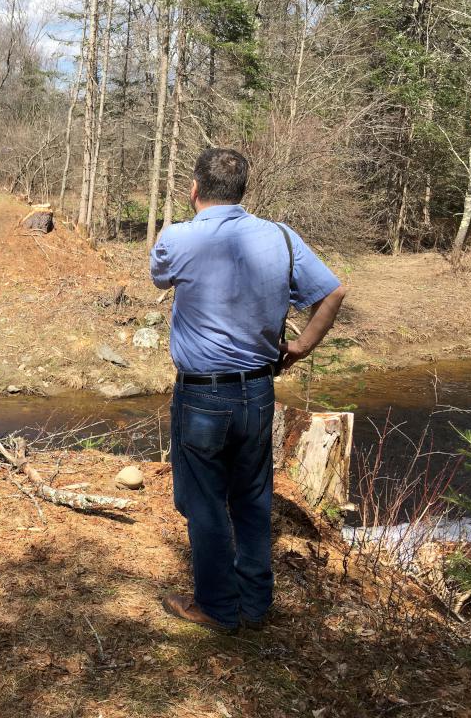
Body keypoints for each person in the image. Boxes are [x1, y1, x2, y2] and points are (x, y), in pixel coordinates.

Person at [150, 148, 345, 633]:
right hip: (259, 392)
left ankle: (217, 608)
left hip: (201, 394)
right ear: (243, 192)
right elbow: (333, 292)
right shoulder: (280, 236)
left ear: (194, 189)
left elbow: (160, 278)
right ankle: (255, 606)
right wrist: (299, 347)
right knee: (253, 498)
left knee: (203, 502)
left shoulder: (177, 236)